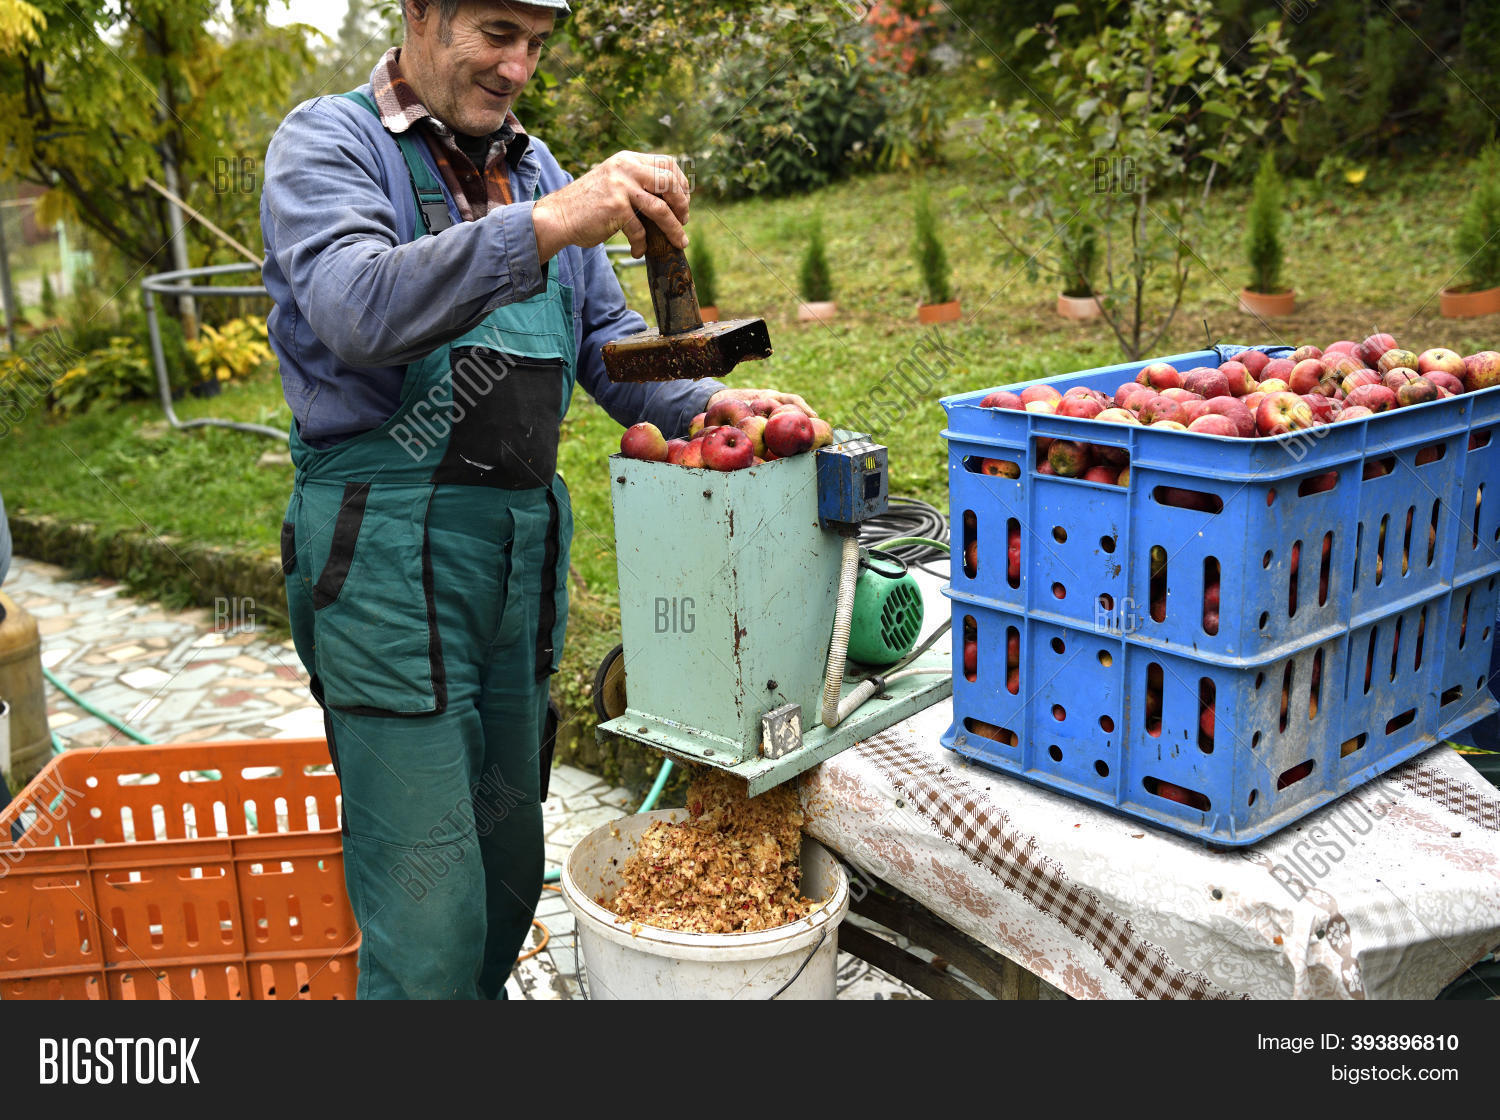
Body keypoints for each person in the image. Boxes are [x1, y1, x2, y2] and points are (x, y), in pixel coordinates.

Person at [260, 0, 808, 999]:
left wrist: (710, 392)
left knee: (510, 871)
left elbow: (611, 352)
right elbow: (354, 305)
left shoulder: (540, 168)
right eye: (496, 34)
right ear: (422, 15)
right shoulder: (329, 143)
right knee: (428, 913)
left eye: (535, 46)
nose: (517, 67)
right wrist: (554, 220)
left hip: (518, 559)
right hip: (386, 558)